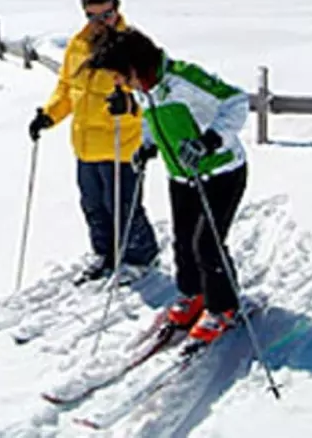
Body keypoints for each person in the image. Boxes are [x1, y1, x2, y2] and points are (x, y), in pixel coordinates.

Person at [89, 27, 250, 346]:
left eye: (119, 75)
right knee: (183, 240)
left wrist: (210, 141)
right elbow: (152, 122)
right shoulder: (144, 89)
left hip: (220, 173)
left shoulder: (182, 79)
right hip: (181, 175)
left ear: (135, 66)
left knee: (207, 243)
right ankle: (194, 294)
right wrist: (147, 146)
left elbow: (236, 101)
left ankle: (224, 306)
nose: (118, 83)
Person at [27, 0, 160, 282]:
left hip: (122, 145)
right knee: (93, 204)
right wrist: (48, 116)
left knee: (124, 205)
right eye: (93, 16)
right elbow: (67, 89)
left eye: (106, 15)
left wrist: (127, 103)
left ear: (117, 10)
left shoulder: (133, 45)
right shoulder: (78, 45)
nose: (100, 22)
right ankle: (104, 253)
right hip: (85, 144)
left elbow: (152, 95)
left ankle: (141, 256)